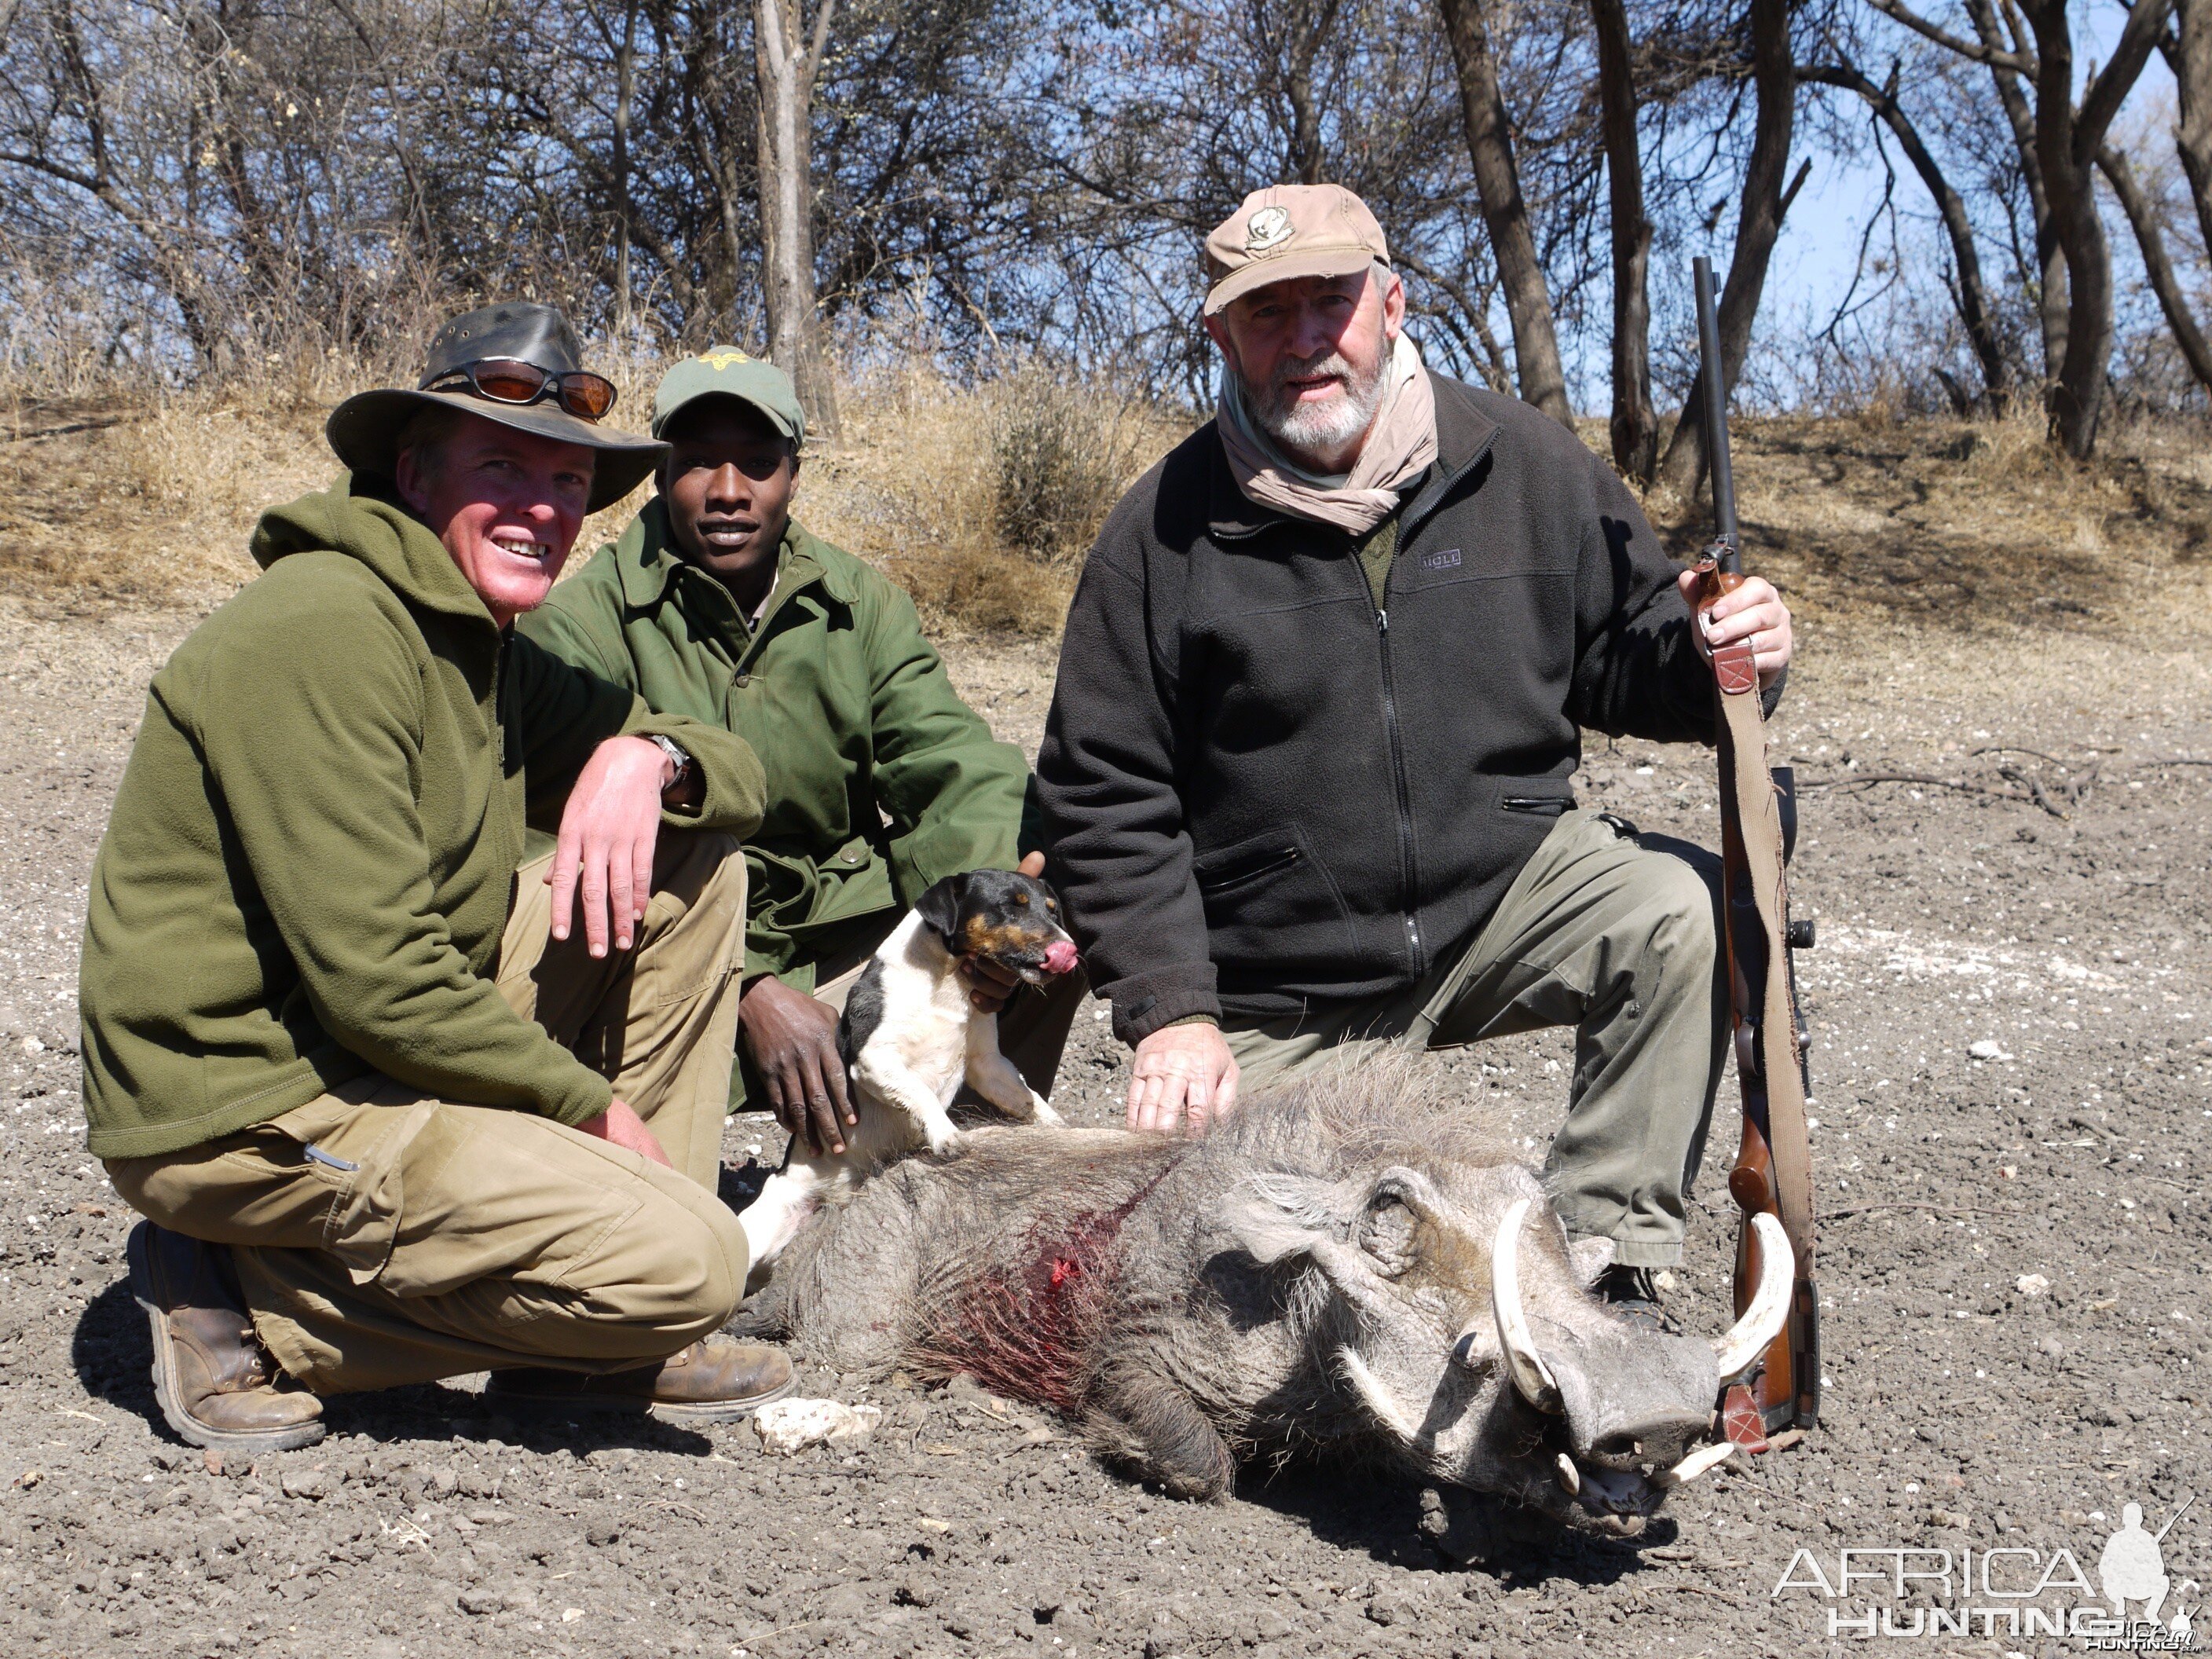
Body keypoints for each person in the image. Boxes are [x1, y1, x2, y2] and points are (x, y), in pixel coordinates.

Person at [1035, 185, 1797, 1322]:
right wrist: (1174, 1011)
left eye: (1330, 304)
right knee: (1210, 1281)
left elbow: (1636, 654)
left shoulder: (1528, 462)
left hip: (1500, 899)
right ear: (1219, 335)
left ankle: (1602, 1267)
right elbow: (1100, 795)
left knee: (1680, 909)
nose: (1304, 341)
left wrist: (1727, 649)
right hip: (1281, 978)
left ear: (1390, 305)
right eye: (1267, 314)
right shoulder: (1159, 532)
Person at [82, 303, 793, 1452]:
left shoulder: (480, 640)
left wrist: (644, 756)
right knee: (699, 1262)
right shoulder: (323, 626)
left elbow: (744, 776)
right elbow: (383, 982)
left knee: (691, 854)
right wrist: (588, 1107)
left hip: (370, 1045)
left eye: (568, 483)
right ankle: (251, 1301)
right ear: (413, 473)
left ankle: (606, 1334)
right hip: (248, 1102)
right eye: (502, 466)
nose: (543, 508)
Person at [519, 350, 1081, 1163]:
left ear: (793, 472)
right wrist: (748, 984)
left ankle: (961, 1174)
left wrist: (976, 945)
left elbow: (954, 765)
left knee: (1060, 876)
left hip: (842, 943)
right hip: (667, 960)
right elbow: (551, 841)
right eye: (697, 462)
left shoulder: (860, 603)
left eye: (757, 462)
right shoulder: (583, 619)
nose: (727, 491)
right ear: (656, 474)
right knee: (654, 1221)